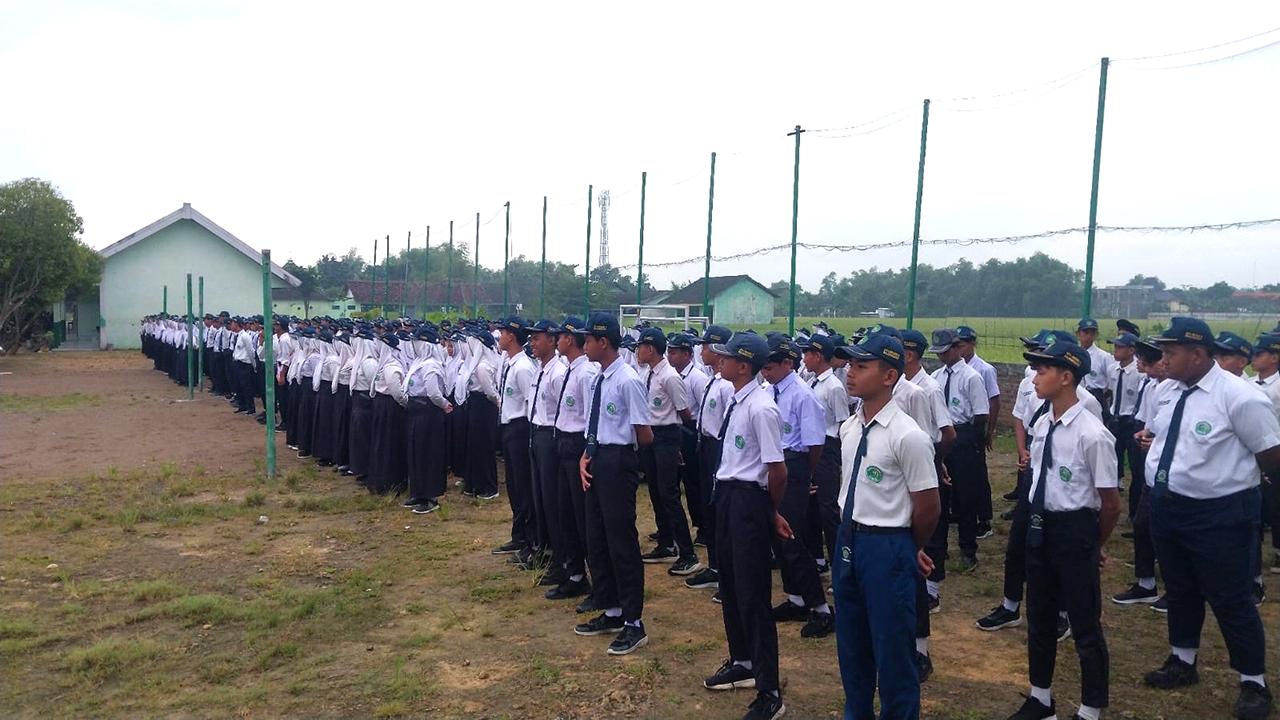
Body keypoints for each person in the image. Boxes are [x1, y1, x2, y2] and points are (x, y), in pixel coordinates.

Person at [1137, 317, 1280, 720]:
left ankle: (1253, 682)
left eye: (1170, 353)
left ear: (1197, 354)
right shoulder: (1168, 392)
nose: (1163, 360)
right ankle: (1183, 660)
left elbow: (1270, 453)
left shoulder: (1240, 396)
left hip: (1220, 513)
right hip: (1169, 505)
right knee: (1180, 588)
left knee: (1231, 598)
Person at [1007, 340, 1120, 720]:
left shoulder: (1092, 433)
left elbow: (1110, 502)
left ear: (1066, 376)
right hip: (1041, 529)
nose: (1035, 377)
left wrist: (1093, 544)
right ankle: (1041, 698)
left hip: (1074, 531)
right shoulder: (1043, 422)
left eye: (1043, 370)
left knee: (1085, 623)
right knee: (1039, 618)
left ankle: (1090, 709)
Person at [830, 333, 940, 720]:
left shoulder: (908, 436)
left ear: (890, 375)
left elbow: (928, 505)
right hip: (848, 540)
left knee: (893, 651)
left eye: (862, 366)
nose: (850, 372)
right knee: (852, 645)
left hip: (886, 545)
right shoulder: (850, 427)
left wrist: (907, 547)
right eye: (850, 365)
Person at [699, 331, 789, 720]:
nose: (721, 360)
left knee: (753, 594)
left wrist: (769, 511)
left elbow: (777, 469)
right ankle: (743, 661)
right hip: (729, 498)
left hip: (749, 501)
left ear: (745, 365)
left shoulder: (761, 407)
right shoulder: (739, 400)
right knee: (731, 585)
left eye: (729, 357)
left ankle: (770, 689)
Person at [573, 312, 653, 656]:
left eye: (588, 339)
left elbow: (644, 433)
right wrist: (587, 454)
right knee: (597, 537)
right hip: (596, 460)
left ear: (603, 342)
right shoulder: (599, 378)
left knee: (621, 541)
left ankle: (634, 622)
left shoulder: (627, 380)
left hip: (618, 462)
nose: (584, 344)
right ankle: (612, 609)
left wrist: (615, 457)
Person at [762, 336, 834, 639]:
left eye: (769, 366)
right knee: (777, 540)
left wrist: (804, 476)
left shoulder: (802, 395)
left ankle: (821, 609)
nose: (764, 372)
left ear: (787, 364)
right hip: (773, 464)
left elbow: (815, 443)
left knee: (792, 540)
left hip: (794, 465)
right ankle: (796, 599)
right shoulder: (770, 391)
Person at [634, 327, 701, 576]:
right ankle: (665, 542)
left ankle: (688, 552)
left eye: (640, 346)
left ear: (650, 348)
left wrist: (676, 444)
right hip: (650, 436)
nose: (637, 351)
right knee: (655, 491)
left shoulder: (670, 377)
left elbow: (685, 413)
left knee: (669, 493)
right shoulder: (647, 374)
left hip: (667, 436)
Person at [1113, 337, 1169, 609]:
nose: (1145, 369)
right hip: (1153, 470)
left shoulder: (1174, 389)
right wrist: (1146, 436)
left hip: (1174, 474)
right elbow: (1152, 424)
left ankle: (1177, 589)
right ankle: (1146, 583)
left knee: (1170, 533)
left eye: (1150, 364)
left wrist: (1156, 441)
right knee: (1143, 523)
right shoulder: (1154, 388)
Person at [928, 328, 989, 571]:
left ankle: (968, 548)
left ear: (957, 348)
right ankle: (938, 549)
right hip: (942, 434)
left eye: (945, 352)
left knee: (965, 496)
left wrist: (968, 435)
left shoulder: (971, 377)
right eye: (938, 353)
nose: (942, 357)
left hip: (964, 434)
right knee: (941, 495)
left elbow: (981, 412)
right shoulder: (936, 376)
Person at [548, 316, 597, 604]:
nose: (558, 340)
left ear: (570, 340)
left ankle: (593, 577)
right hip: (563, 443)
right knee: (565, 513)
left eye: (561, 336)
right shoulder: (570, 370)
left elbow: (591, 418)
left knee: (582, 517)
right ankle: (575, 575)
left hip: (578, 445)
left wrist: (586, 452)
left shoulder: (585, 374)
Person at [684, 325, 735, 597]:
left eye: (705, 346)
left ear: (718, 350)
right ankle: (715, 567)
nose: (701, 351)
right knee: (708, 508)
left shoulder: (727, 385)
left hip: (719, 448)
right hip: (705, 445)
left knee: (719, 511)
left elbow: (728, 425)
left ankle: (725, 572)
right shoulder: (713, 379)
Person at [799, 333, 850, 576]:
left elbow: (842, 424)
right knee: (809, 506)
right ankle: (817, 559)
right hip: (810, 446)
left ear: (818, 356)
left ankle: (838, 563)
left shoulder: (834, 387)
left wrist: (839, 458)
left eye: (807, 353)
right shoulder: (811, 382)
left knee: (828, 508)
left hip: (828, 448)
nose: (804, 357)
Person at [493, 317, 539, 563]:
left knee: (523, 487)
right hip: (509, 429)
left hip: (520, 429)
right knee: (514, 485)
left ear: (511, 336)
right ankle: (519, 534)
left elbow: (531, 404)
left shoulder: (523, 367)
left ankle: (529, 540)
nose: (499, 337)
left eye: (502, 333)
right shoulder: (511, 363)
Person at [527, 319, 566, 584]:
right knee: (540, 497)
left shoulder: (558, 372)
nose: (532, 343)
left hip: (551, 437)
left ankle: (558, 556)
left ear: (552, 340)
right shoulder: (540, 369)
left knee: (553, 500)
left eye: (537, 338)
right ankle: (544, 548)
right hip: (536, 433)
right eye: (531, 339)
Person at [956, 326, 1000, 538]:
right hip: (957, 428)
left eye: (962, 345)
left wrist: (990, 429)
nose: (959, 349)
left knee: (977, 474)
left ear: (972, 343)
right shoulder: (953, 368)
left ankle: (983, 518)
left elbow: (994, 401)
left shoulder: (983, 370)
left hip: (975, 425)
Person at [403, 326, 450, 514]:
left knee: (428, 455)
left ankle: (430, 497)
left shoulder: (430, 365)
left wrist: (445, 404)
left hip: (428, 414)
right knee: (416, 454)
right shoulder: (419, 363)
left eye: (417, 342)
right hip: (416, 413)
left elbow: (433, 393)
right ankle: (418, 492)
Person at [667, 333, 708, 548]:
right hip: (674, 428)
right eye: (668, 352)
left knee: (693, 482)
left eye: (674, 352)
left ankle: (702, 527)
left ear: (687, 354)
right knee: (672, 481)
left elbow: (702, 411)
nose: (669, 356)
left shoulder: (697, 378)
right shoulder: (672, 375)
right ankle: (671, 527)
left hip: (691, 430)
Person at [1250, 334, 1280, 576]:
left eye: (1258, 355)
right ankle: (1253, 550)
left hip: (1274, 450)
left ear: (1274, 358)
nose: (1253, 359)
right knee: (1257, 504)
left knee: (1276, 502)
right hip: (1253, 450)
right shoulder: (1248, 384)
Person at [1106, 332, 1144, 487]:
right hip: (1115, 418)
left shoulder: (1139, 372)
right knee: (1113, 455)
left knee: (1135, 461)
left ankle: (1136, 488)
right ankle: (1115, 484)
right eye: (1115, 346)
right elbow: (1111, 391)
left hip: (1131, 420)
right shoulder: (1112, 369)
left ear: (1131, 350)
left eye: (1120, 347)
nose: (1115, 350)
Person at [1077, 318, 1117, 424]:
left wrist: (1102, 396)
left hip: (1096, 395)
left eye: (1092, 333)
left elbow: (1112, 382)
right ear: (1078, 334)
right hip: (1077, 395)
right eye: (1086, 333)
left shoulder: (1103, 356)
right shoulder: (1074, 354)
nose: (1089, 337)